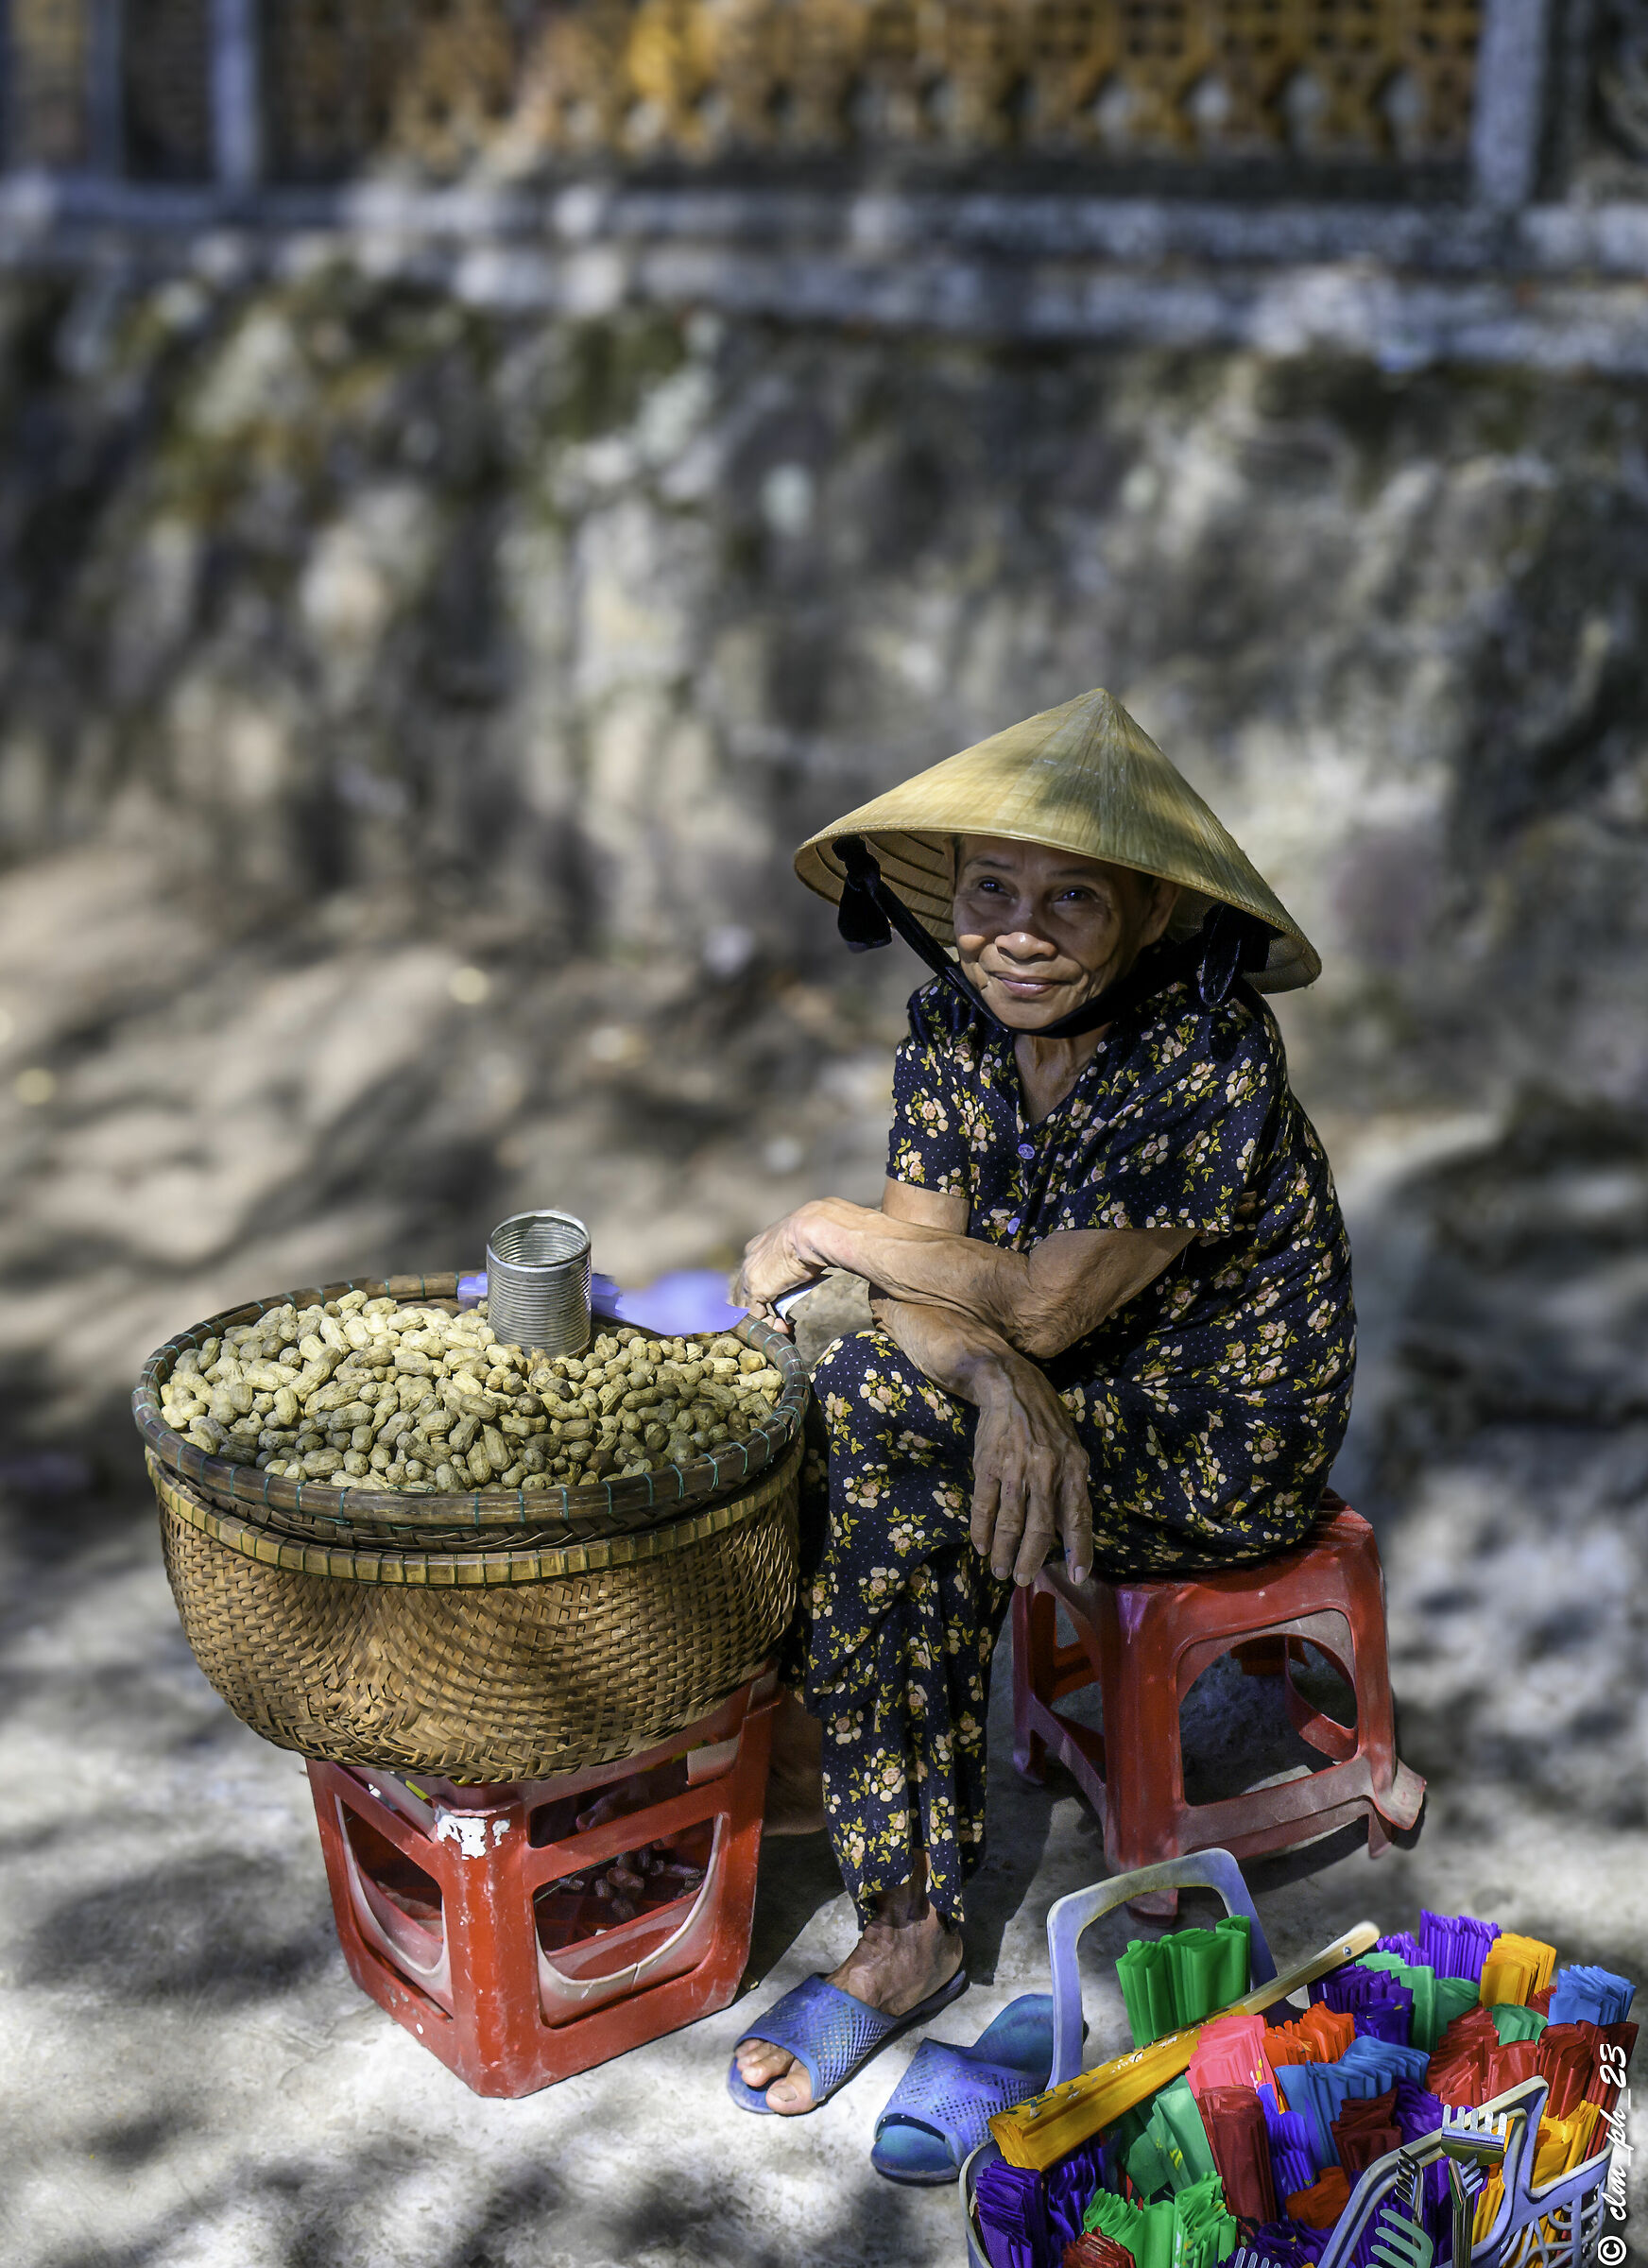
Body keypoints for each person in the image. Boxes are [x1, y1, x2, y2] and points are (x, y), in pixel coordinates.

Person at [726, 688, 1354, 2117]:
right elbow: (932, 1286)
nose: (1020, 931)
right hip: (1056, 1378)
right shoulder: (954, 1022)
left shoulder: (1208, 1052)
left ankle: (901, 1911)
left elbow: (1044, 1303)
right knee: (853, 1385)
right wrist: (996, 1376)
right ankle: (857, 1775)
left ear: (1150, 912)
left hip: (1217, 1430)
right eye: (991, 890)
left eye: (1074, 897)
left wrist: (825, 1225)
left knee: (873, 1409)